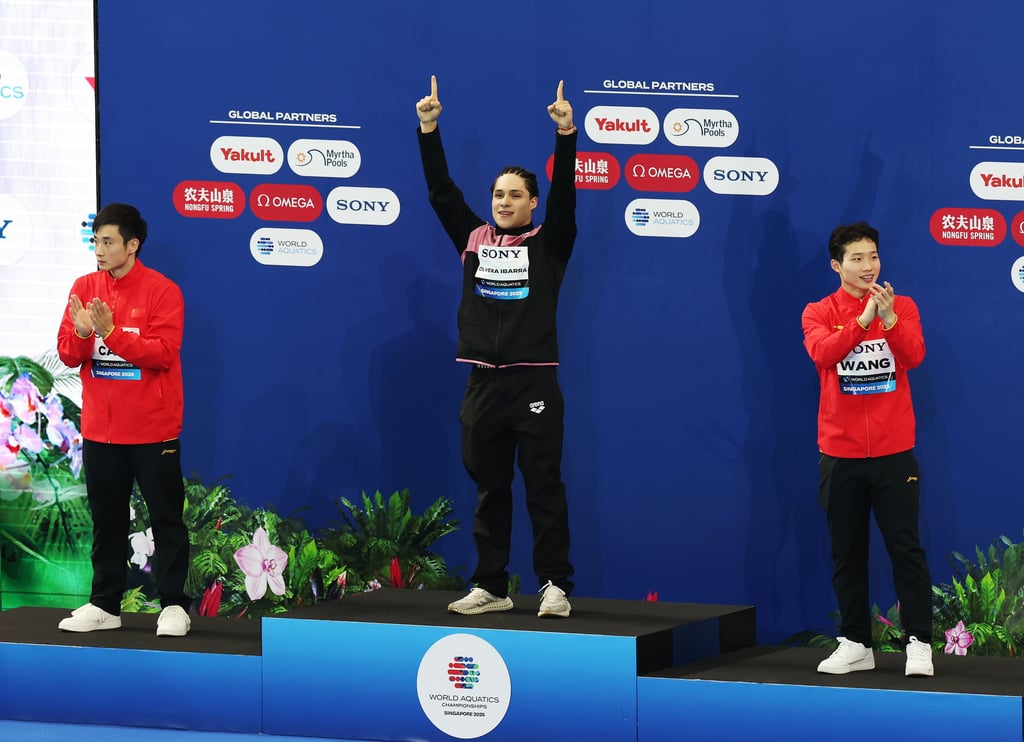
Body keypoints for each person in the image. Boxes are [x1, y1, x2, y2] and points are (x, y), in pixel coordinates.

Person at [415, 76, 577, 618]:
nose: (504, 202)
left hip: (534, 382)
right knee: (490, 489)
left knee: (543, 486)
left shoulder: (552, 244)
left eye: (515, 195)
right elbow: (442, 193)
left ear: (533, 203)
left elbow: (568, 198)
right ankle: (492, 585)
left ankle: (554, 585)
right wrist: (430, 129)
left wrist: (565, 135)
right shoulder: (474, 238)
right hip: (483, 381)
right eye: (498, 195)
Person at [802, 222, 933, 676]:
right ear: (837, 265)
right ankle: (856, 642)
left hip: (895, 453)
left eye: (873, 256)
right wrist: (862, 321)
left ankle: (919, 643)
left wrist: (890, 318)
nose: (868, 266)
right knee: (848, 552)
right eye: (857, 258)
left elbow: (914, 355)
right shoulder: (817, 312)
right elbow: (823, 354)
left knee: (905, 548)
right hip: (840, 455)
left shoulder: (903, 306)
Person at [55, 203, 191, 636]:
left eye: (108, 241)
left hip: (152, 430)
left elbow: (162, 353)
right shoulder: (84, 286)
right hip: (101, 430)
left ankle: (173, 605)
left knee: (165, 517)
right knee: (107, 519)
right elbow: (68, 354)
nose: (99, 249)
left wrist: (111, 333)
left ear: (132, 245)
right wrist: (81, 332)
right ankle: (105, 606)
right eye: (95, 240)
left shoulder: (162, 291)